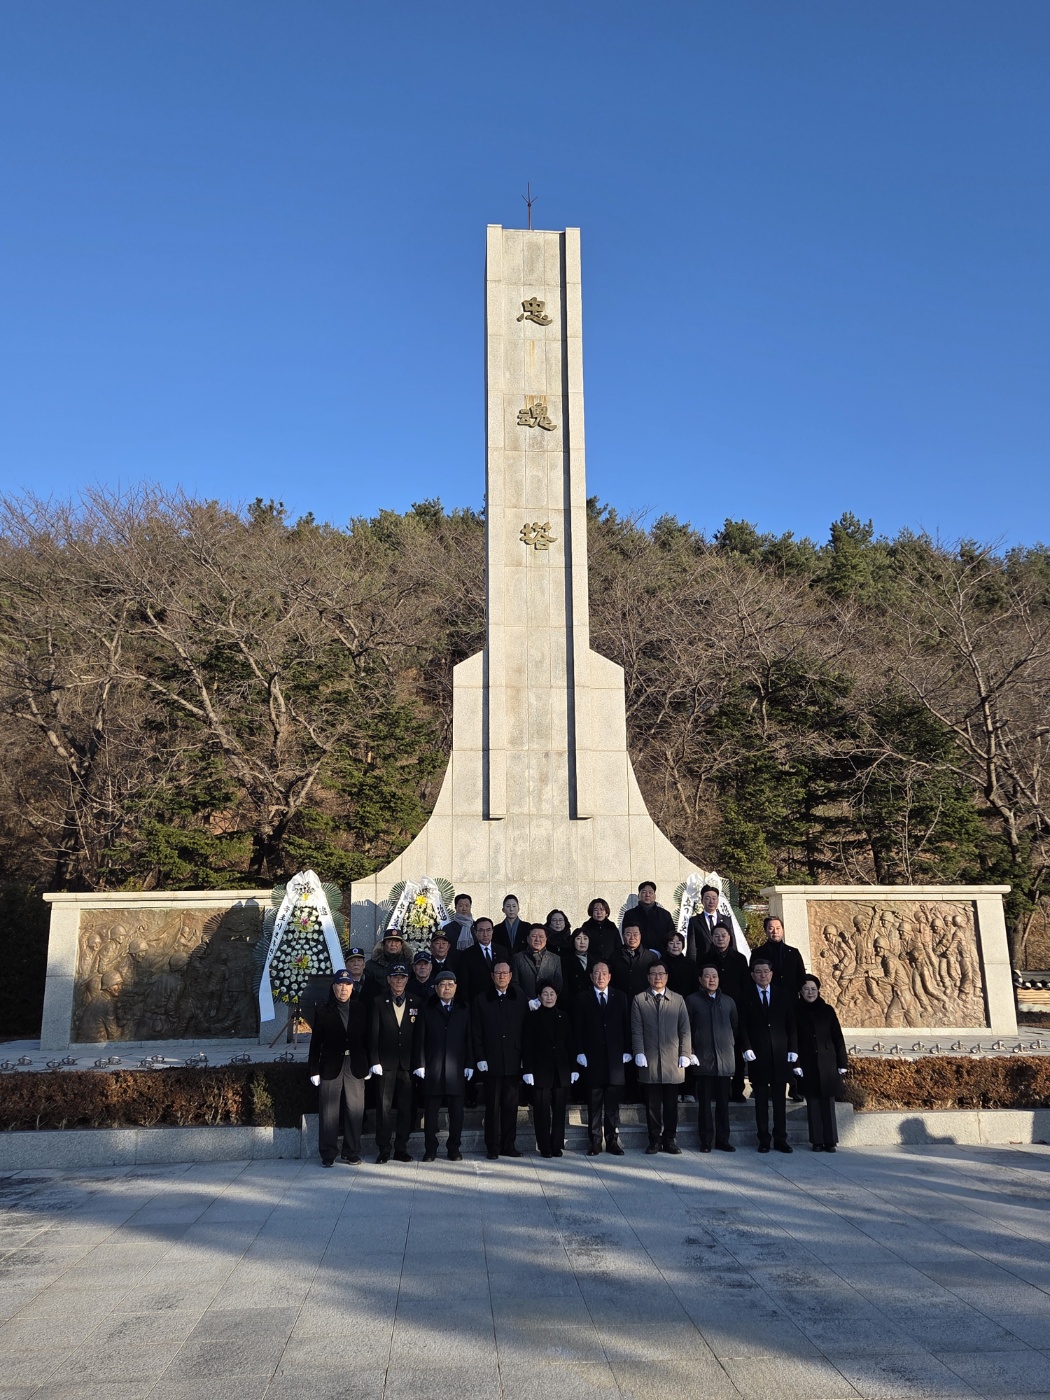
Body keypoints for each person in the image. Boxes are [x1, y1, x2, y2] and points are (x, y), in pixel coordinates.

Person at [308, 969, 370, 1167]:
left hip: (355, 1065)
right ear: (333, 987)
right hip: (331, 1065)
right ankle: (328, 1153)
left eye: (347, 985)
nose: (343, 989)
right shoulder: (323, 1010)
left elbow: (367, 1039)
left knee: (355, 1110)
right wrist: (313, 1070)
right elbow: (315, 1043)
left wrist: (368, 1064)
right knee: (329, 1112)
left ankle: (351, 1152)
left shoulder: (360, 1008)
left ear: (353, 987)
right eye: (340, 985)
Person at [411, 969, 474, 1161]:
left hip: (456, 1068)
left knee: (457, 1113)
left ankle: (454, 1148)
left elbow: (469, 1037)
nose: (446, 988)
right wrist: (420, 1063)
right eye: (442, 985)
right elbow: (419, 1038)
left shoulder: (463, 1008)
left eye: (450, 985)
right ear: (436, 988)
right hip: (434, 1067)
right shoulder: (427, 1007)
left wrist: (470, 1062)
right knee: (431, 1113)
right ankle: (430, 1149)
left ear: (456, 987)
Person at [739, 958, 799, 1153]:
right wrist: (746, 1047)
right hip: (758, 1056)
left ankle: (781, 1139)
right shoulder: (746, 996)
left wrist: (793, 1049)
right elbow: (742, 1025)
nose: (763, 975)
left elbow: (791, 1024)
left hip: (780, 1056)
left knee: (780, 1102)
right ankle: (764, 1139)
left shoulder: (783, 995)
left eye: (766, 971)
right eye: (759, 972)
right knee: (761, 1102)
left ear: (772, 974)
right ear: (752, 975)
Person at [630, 962, 691, 1154]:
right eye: (654, 974)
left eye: (661, 973)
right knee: (652, 1104)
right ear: (648, 977)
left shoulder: (678, 999)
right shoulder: (639, 1000)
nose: (658, 977)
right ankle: (654, 1139)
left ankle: (670, 1139)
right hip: (650, 1059)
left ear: (667, 976)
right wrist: (638, 1052)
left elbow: (685, 1029)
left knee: (671, 1104)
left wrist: (685, 1054)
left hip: (672, 1059)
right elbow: (636, 1029)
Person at [573, 962, 631, 1155]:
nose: (600, 976)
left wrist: (627, 1050)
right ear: (591, 976)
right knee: (594, 1104)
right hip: (593, 1058)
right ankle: (595, 1142)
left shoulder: (620, 997)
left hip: (615, 1059)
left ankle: (612, 1141)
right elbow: (577, 1027)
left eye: (604, 973)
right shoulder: (582, 998)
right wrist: (579, 1051)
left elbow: (626, 1025)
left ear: (610, 976)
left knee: (612, 1106)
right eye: (597, 973)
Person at [471, 959, 527, 1159]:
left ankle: (508, 1146)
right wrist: (480, 1057)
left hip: (513, 1060)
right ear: (492, 976)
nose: (502, 976)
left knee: (511, 1107)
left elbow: (526, 1030)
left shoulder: (519, 998)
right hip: (491, 1061)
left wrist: (525, 1058)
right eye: (498, 973)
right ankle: (492, 1147)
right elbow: (476, 1031)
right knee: (492, 1107)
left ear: (510, 976)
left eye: (505, 973)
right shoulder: (481, 1000)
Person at [750, 915, 808, 1102]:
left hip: (790, 1004)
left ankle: (795, 1085)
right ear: (765, 931)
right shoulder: (758, 953)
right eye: (770, 928)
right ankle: (763, 1086)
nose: (774, 931)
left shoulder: (793, 952)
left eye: (777, 928)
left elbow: (801, 978)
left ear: (782, 930)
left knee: (793, 1042)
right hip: (767, 1005)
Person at [686, 965, 742, 1152]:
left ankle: (723, 1140)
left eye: (715, 976)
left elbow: (734, 1027)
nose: (711, 979)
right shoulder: (692, 1001)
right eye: (707, 976)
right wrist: (691, 1051)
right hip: (703, 1060)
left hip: (724, 1061)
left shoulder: (728, 1002)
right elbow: (687, 1029)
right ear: (700, 979)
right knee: (704, 1105)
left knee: (723, 1104)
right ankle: (705, 1141)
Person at [522, 981, 577, 1157]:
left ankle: (556, 1145)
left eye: (552, 994)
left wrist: (574, 1068)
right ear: (539, 996)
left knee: (559, 1110)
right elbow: (527, 1045)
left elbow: (570, 1044)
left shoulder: (564, 1016)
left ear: (556, 996)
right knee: (541, 1110)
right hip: (540, 1070)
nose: (549, 997)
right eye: (545, 994)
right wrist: (527, 1070)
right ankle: (544, 1146)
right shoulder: (531, 1017)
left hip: (561, 1069)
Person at [368, 964, 417, 1163]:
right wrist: (374, 1060)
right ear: (388, 979)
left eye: (402, 977)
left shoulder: (416, 1001)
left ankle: (401, 1148)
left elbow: (419, 1035)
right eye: (395, 977)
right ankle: (384, 1149)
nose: (398, 981)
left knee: (406, 1108)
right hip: (385, 1064)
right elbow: (373, 1033)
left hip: (407, 1064)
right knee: (384, 1108)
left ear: (407, 979)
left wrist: (419, 1062)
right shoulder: (379, 1001)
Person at [796, 975, 849, 1152]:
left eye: (813, 989)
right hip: (807, 1061)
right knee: (813, 1103)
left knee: (828, 1102)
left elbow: (837, 1037)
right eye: (806, 989)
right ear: (800, 992)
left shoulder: (827, 1010)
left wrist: (842, 1062)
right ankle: (816, 1141)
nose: (810, 993)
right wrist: (795, 1063)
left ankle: (830, 1140)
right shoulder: (796, 1011)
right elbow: (793, 1038)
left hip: (827, 1061)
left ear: (818, 991)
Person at [704, 922, 750, 1101]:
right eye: (716, 936)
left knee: (736, 1050)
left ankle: (737, 1089)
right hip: (711, 1008)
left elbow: (745, 985)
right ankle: (717, 1091)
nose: (720, 939)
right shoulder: (705, 958)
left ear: (730, 937)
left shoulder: (739, 959)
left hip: (734, 1009)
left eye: (723, 935)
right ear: (712, 938)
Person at [456, 916, 505, 1006]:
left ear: (492, 931)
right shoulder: (466, 955)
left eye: (488, 930)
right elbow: (463, 984)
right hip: (477, 1002)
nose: (485, 934)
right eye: (481, 931)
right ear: (475, 932)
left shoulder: (502, 951)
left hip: (500, 1001)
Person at [610, 918, 659, 999]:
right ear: (623, 936)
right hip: (621, 1000)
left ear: (640, 936)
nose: (632, 938)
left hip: (645, 1000)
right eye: (628, 934)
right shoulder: (614, 956)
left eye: (635, 934)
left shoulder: (651, 957)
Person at [624, 881, 676, 954]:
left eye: (650, 892)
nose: (647, 895)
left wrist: (662, 951)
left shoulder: (665, 915)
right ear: (639, 896)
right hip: (637, 954)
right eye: (644, 892)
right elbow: (626, 935)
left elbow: (671, 936)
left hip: (661, 955)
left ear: (655, 896)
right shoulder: (630, 914)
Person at [513, 924, 563, 998]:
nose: (537, 939)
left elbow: (558, 984)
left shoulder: (555, 959)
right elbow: (514, 983)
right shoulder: (518, 958)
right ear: (527, 939)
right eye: (534, 936)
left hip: (548, 1002)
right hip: (524, 1002)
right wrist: (528, 1000)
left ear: (546, 939)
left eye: (541, 937)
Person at [686, 884, 723, 964]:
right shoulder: (694, 921)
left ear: (718, 900)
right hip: (702, 964)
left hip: (723, 964)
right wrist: (692, 966)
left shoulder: (726, 920)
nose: (711, 901)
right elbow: (692, 947)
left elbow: (732, 944)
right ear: (702, 900)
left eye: (714, 898)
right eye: (707, 898)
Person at [578, 897, 620, 968]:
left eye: (602, 909)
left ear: (606, 912)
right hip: (591, 964)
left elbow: (618, 946)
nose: (599, 912)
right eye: (595, 910)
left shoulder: (612, 927)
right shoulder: (586, 927)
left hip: (610, 964)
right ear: (591, 912)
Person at [561, 928, 595, 1001]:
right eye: (578, 938)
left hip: (592, 1001)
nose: (582, 942)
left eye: (585, 938)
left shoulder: (596, 960)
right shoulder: (566, 961)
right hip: (574, 1001)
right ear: (573, 941)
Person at [663, 931, 698, 999]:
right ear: (667, 946)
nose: (675, 946)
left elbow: (695, 986)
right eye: (671, 943)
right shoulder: (661, 964)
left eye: (678, 943)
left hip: (687, 1000)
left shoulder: (691, 964)